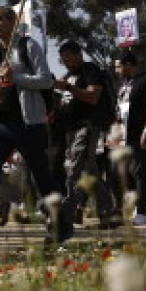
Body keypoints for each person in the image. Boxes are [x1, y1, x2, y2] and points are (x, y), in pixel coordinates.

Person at [0, 6, 64, 247]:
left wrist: (16, 78)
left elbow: (47, 80)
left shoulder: (28, 47)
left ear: (13, 21)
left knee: (41, 177)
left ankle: (58, 225)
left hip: (29, 123)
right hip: (1, 125)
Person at [53, 40, 116, 229]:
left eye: (70, 60)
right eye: (64, 61)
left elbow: (93, 95)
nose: (67, 64)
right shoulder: (68, 75)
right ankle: (109, 212)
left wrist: (69, 88)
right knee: (91, 174)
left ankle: (67, 214)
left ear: (79, 55)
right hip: (70, 130)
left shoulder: (89, 70)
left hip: (87, 127)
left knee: (74, 170)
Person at [115, 50, 146, 225]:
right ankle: (134, 206)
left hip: (140, 133)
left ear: (128, 65)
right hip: (123, 135)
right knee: (126, 172)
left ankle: (141, 212)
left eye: (118, 66)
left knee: (139, 170)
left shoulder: (145, 80)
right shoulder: (122, 83)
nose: (116, 70)